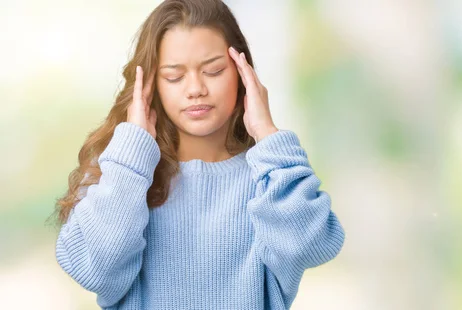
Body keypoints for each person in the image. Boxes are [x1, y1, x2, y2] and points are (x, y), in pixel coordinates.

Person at [52, 0, 345, 309]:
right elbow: (96, 271)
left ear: (243, 75)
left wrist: (267, 133)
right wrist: (133, 150)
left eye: (213, 70)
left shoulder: (269, 177)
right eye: (174, 77)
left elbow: (310, 246)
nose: (195, 89)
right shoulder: (124, 177)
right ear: (150, 87)